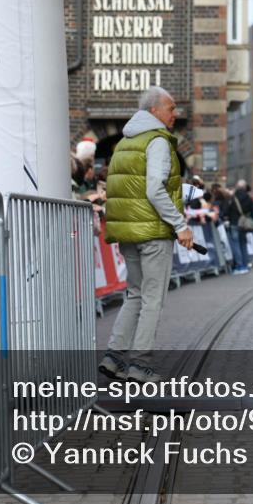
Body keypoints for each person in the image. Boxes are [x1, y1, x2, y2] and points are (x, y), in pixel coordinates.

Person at [99, 87, 195, 384]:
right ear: (154, 110)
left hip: (128, 231)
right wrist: (179, 224)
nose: (175, 113)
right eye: (171, 107)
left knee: (135, 294)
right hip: (153, 231)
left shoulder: (125, 142)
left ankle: (114, 356)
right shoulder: (157, 140)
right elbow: (155, 189)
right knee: (152, 299)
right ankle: (140, 364)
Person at [226, 179, 253, 275]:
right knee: (243, 244)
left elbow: (227, 210)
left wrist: (229, 218)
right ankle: (245, 265)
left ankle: (239, 266)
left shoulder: (233, 197)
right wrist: (248, 218)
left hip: (234, 223)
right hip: (243, 224)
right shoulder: (249, 198)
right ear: (245, 187)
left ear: (237, 187)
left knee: (236, 245)